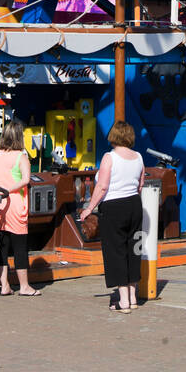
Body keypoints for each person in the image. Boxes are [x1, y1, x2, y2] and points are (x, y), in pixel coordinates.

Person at [79, 120, 145, 313]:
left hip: (114, 207)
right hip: (134, 204)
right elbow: (140, 185)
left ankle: (123, 301)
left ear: (113, 136)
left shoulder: (110, 157)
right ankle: (133, 297)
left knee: (115, 251)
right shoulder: (139, 157)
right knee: (133, 249)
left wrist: (89, 208)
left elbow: (102, 186)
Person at [0, 119, 41, 296]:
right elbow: (26, 179)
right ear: (19, 137)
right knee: (19, 246)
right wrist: (9, 189)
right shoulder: (20, 157)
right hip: (14, 204)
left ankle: (4, 286)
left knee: (0, 245)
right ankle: (24, 286)